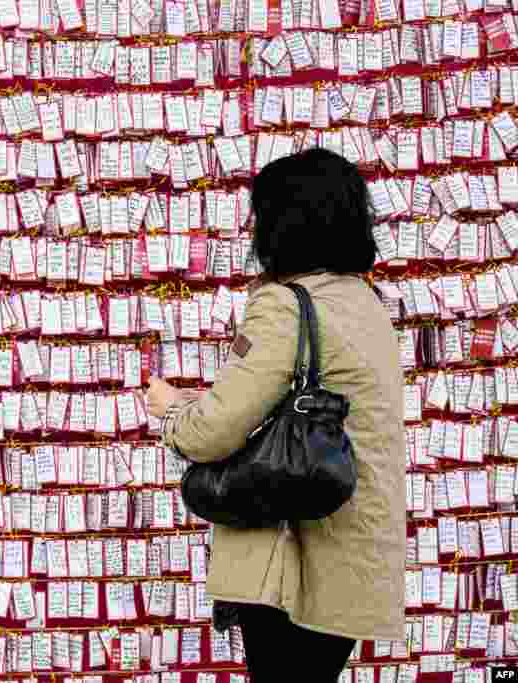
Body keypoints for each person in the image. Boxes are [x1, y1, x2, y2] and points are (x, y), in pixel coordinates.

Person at [146, 148, 406, 683]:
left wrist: (172, 412)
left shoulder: (285, 305)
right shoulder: (366, 303)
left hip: (293, 562)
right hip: (353, 559)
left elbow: (214, 430)